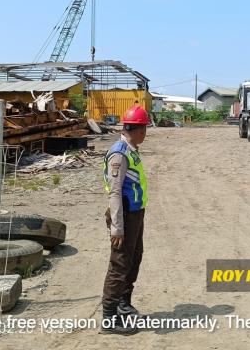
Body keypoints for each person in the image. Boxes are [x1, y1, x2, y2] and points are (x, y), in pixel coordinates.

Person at [100, 105, 151, 335]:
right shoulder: (119, 154)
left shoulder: (131, 149)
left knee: (134, 258)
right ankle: (109, 318)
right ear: (138, 129)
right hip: (124, 216)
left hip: (135, 214)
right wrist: (117, 228)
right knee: (119, 264)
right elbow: (115, 192)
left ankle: (123, 303)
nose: (145, 133)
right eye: (144, 129)